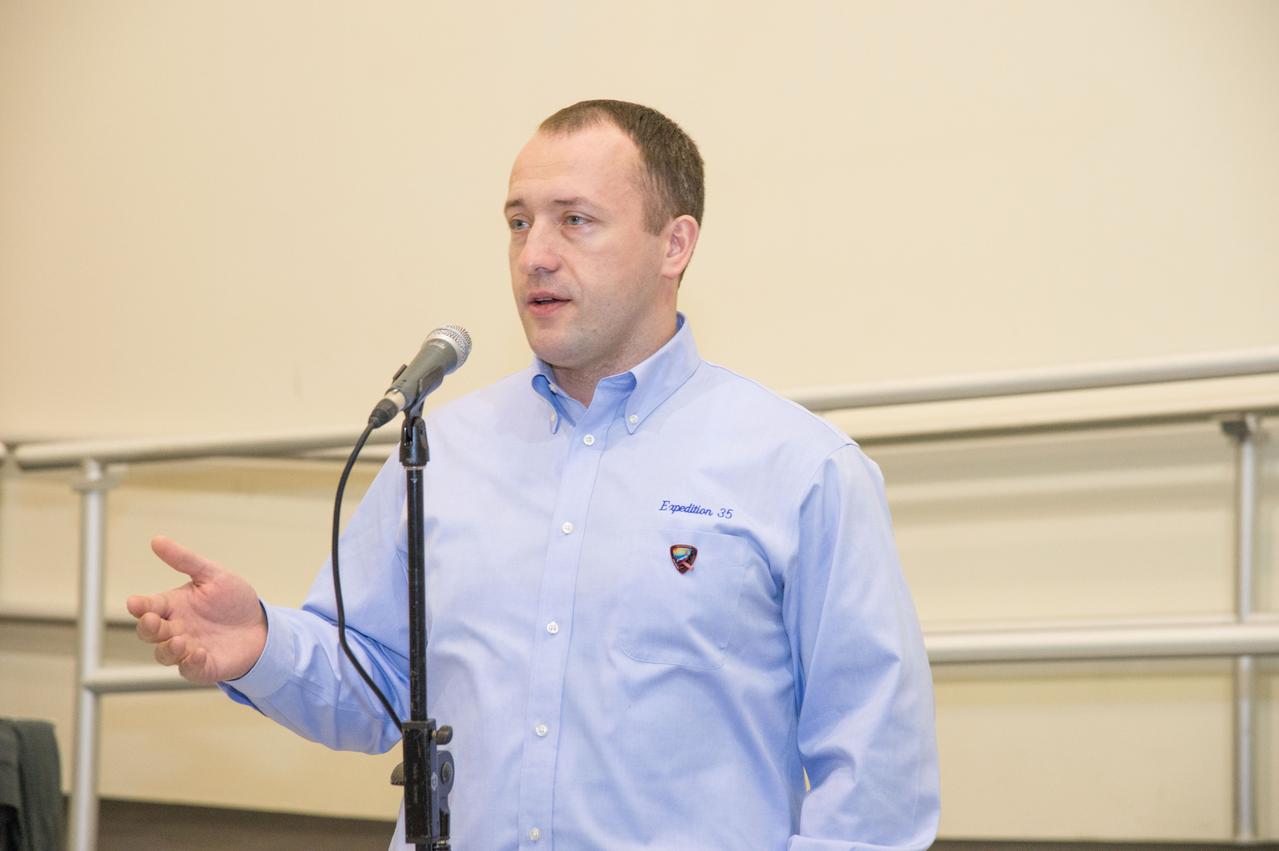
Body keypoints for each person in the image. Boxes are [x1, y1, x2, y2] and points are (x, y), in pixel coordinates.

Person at [128, 100, 940, 850]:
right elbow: (377, 684)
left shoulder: (799, 468)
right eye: (518, 223)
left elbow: (876, 773)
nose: (534, 255)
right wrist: (261, 643)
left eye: (575, 221)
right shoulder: (440, 449)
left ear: (675, 243)